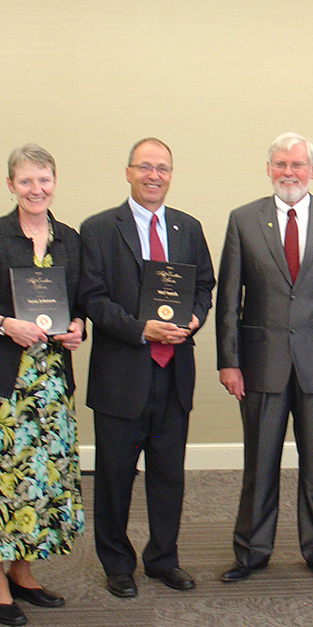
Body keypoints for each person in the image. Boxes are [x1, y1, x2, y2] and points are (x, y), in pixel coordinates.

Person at [216, 132, 313, 586]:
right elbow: (229, 298)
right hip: (262, 365)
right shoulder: (244, 220)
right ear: (268, 169)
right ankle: (251, 552)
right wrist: (229, 360)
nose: (288, 172)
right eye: (280, 164)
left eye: (297, 165)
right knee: (258, 465)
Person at [80, 137, 215, 599]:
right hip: (122, 375)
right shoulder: (97, 229)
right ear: (128, 172)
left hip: (174, 373)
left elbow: (204, 286)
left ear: (171, 174)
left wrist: (195, 318)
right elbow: (93, 300)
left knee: (168, 476)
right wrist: (142, 330)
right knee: (115, 478)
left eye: (163, 168)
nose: (154, 175)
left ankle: (163, 558)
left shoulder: (188, 228)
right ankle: (118, 564)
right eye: (145, 167)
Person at [0, 144, 85, 626]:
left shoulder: (70, 239)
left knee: (42, 478)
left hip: (51, 381)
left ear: (55, 182)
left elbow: (85, 298)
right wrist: (2, 324)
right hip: (4, 382)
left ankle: (22, 571)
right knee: (1, 480)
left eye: (44, 180)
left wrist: (78, 325)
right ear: (11, 185)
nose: (37, 189)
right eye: (26, 181)